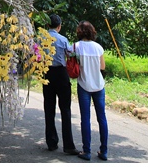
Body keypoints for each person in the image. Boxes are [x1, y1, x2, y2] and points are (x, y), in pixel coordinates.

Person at [43, 14, 79, 154]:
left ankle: (51, 142)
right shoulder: (63, 39)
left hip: (47, 73)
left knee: (49, 108)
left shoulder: (41, 39)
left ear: (47, 25)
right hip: (61, 74)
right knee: (65, 109)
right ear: (59, 26)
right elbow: (70, 55)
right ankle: (69, 146)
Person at [74, 20, 108, 161]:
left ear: (80, 32)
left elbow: (71, 63)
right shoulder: (98, 47)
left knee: (85, 119)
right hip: (99, 86)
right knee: (102, 118)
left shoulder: (76, 47)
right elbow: (102, 67)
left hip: (84, 85)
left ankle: (86, 151)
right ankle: (104, 151)